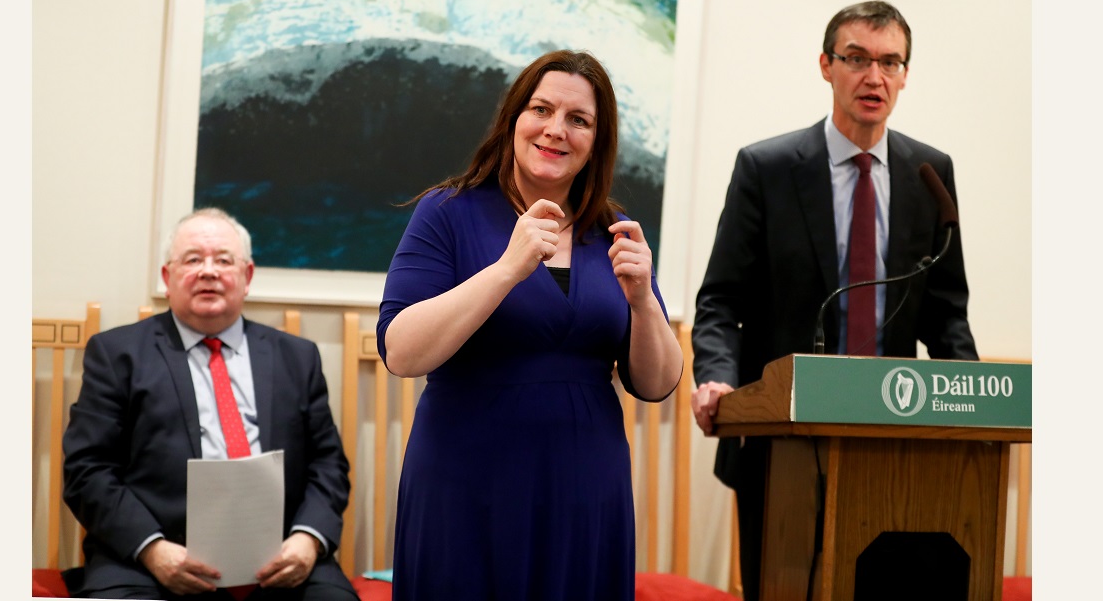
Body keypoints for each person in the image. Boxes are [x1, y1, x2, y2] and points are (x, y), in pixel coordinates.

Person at [690, 0, 979, 601]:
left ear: (904, 74)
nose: (874, 77)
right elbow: (721, 300)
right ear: (826, 66)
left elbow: (946, 314)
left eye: (889, 62)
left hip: (891, 438)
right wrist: (717, 378)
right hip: (781, 438)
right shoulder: (766, 168)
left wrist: (972, 404)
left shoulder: (931, 172)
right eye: (856, 59)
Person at [376, 49, 683, 600]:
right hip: (465, 487)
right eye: (541, 109)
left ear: (597, 140)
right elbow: (401, 351)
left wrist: (643, 302)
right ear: (513, 118)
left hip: (586, 492)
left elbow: (658, 384)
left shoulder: (614, 229)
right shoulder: (448, 212)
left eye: (578, 120)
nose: (555, 130)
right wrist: (505, 271)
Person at [62, 208, 357, 601]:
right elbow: (87, 469)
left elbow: (328, 464)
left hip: (281, 559)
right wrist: (153, 550)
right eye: (193, 259)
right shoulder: (118, 354)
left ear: (247, 276)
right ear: (168, 279)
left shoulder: (297, 357)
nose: (208, 271)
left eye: (223, 260)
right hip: (150, 559)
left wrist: (307, 539)